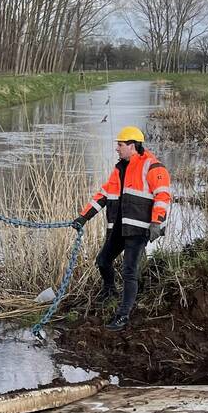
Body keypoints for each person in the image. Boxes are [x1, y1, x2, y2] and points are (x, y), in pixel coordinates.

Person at [73, 126, 172, 331]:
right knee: (102, 261)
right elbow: (103, 194)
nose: (117, 148)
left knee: (129, 271)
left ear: (132, 146)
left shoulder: (153, 167)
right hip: (119, 228)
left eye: (120, 145)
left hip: (138, 230)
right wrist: (83, 218)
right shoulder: (119, 168)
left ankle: (123, 315)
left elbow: (163, 196)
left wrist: (156, 222)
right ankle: (110, 291)